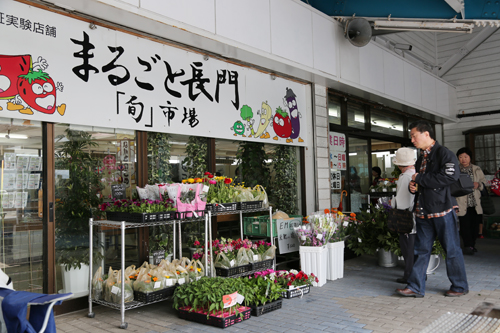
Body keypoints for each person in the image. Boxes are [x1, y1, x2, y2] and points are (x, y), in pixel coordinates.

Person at [396, 120, 468, 298]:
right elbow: (422, 181)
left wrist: (420, 179)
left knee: (451, 249)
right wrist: (415, 187)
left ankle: (459, 286)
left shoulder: (444, 153)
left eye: (414, 135)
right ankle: (415, 287)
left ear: (426, 134)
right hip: (423, 211)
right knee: (420, 251)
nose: (412, 140)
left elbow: (449, 177)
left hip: (442, 210)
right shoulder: (421, 157)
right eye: (411, 136)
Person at [391, 148, 416, 284]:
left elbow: (401, 201)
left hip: (406, 218)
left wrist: (391, 202)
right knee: (414, 247)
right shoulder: (416, 174)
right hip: (416, 216)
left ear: (400, 165)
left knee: (408, 248)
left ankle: (410, 276)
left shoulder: (405, 177)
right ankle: (417, 274)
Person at [456, 147, 486, 255]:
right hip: (461, 202)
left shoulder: (477, 169)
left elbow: (484, 183)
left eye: (465, 157)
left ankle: (472, 245)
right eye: (460, 157)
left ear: (470, 158)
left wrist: (479, 185)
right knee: (464, 226)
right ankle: (468, 246)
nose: (463, 159)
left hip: (475, 202)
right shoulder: (456, 170)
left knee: (475, 226)